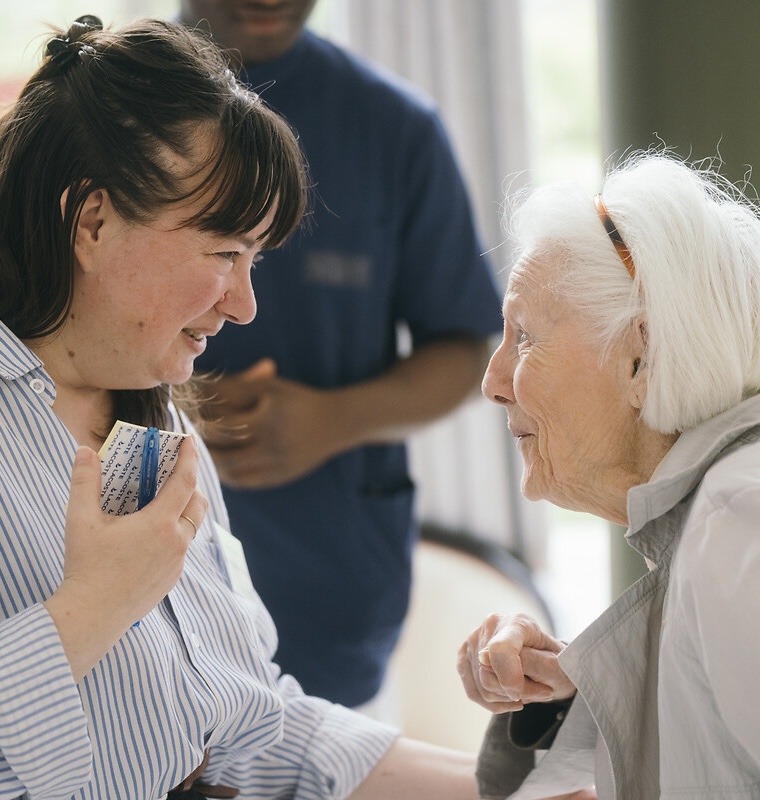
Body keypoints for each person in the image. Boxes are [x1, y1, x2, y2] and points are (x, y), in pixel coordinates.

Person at [0, 15, 478, 798]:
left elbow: (252, 731)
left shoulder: (156, 427)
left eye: (254, 259)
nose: (245, 305)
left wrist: (511, 785)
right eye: (224, 253)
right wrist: (91, 607)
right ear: (92, 221)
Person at [178, 0, 504, 710]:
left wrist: (334, 419)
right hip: (144, 581)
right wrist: (168, 401)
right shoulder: (102, 118)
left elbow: (464, 345)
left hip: (328, 581)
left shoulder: (394, 128)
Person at [457, 152, 760, 799]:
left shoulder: (747, 518)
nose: (492, 382)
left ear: (639, 357)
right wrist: (572, 687)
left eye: (524, 337)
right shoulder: (725, 505)